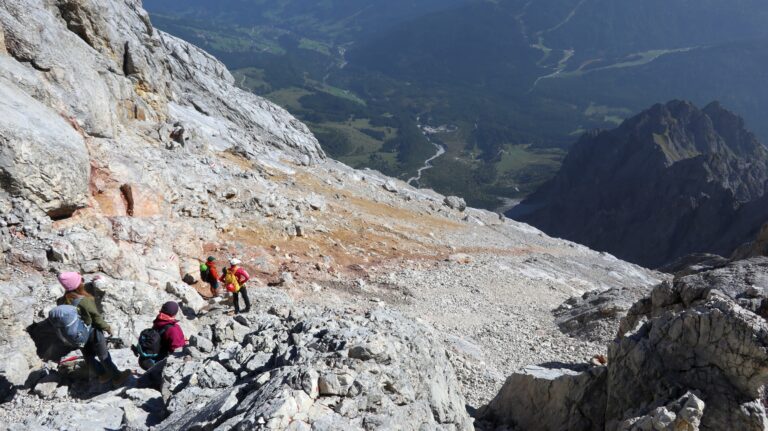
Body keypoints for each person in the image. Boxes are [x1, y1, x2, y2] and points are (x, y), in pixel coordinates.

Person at [56, 272, 131, 386]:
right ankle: (117, 377)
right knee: (103, 355)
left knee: (88, 355)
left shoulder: (61, 301)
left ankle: (102, 374)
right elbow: (96, 317)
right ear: (77, 285)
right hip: (92, 332)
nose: (82, 281)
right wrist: (107, 328)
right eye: (80, 280)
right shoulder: (84, 300)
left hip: (77, 334)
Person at [136, 302, 187, 388]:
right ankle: (157, 382)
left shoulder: (158, 321)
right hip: (158, 363)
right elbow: (178, 350)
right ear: (174, 313)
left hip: (146, 359)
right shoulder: (173, 329)